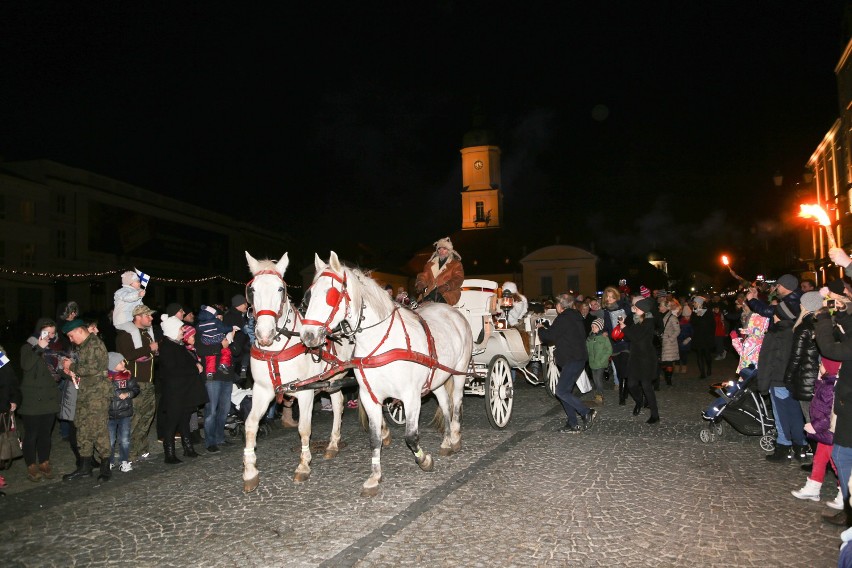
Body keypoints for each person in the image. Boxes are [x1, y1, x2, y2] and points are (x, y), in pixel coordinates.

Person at [61, 319, 112, 482]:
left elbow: (91, 369)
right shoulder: (84, 345)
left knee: (98, 428)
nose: (70, 339)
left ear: (79, 331)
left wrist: (72, 366)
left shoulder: (94, 344)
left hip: (97, 394)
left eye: (71, 335)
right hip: (86, 392)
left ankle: (105, 467)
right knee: (82, 427)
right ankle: (85, 466)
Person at [537, 293, 597, 434]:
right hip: (577, 358)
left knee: (561, 391)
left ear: (559, 306)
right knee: (565, 392)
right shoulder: (575, 316)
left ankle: (586, 412)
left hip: (572, 359)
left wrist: (540, 328)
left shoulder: (564, 318)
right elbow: (561, 333)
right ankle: (572, 423)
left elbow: (548, 336)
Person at [791, 358, 842, 509]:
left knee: (837, 463)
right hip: (824, 433)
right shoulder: (825, 384)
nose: (819, 366)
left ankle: (845, 493)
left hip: (830, 431)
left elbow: (829, 413)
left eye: (821, 365)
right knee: (819, 459)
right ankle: (814, 486)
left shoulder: (831, 387)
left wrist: (815, 426)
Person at [157, 316, 208, 463]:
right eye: (180, 329)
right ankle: (169, 453)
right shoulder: (167, 347)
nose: (182, 331)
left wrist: (195, 363)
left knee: (184, 420)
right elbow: (173, 369)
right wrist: (193, 368)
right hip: (175, 392)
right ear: (172, 330)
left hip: (184, 390)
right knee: (172, 422)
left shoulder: (178, 345)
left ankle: (188, 448)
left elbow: (187, 361)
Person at [19, 319, 62, 482]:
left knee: (45, 434)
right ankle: (31, 465)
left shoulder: (55, 349)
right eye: (46, 332)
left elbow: (58, 372)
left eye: (53, 333)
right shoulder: (28, 346)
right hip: (32, 398)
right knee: (31, 434)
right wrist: (39, 348)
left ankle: (44, 462)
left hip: (49, 397)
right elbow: (26, 365)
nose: (50, 336)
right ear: (39, 332)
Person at [115, 304, 158, 463]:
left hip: (148, 381)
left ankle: (142, 448)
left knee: (147, 416)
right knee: (134, 418)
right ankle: (128, 453)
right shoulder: (125, 334)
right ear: (138, 317)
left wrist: (154, 351)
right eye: (148, 315)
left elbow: (150, 354)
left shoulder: (146, 334)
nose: (151, 318)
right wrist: (149, 348)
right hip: (135, 382)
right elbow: (128, 355)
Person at [618, 297, 660, 424]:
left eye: (636, 307)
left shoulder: (649, 321)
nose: (634, 309)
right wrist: (624, 327)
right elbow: (629, 336)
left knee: (647, 386)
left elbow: (635, 337)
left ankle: (655, 415)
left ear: (643, 310)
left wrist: (624, 327)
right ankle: (639, 401)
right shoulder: (637, 319)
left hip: (646, 358)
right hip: (635, 357)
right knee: (631, 384)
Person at [105, 353, 139, 473]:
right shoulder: (105, 378)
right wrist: (116, 393)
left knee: (125, 439)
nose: (123, 364)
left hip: (125, 412)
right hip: (110, 414)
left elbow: (135, 389)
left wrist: (128, 394)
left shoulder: (127, 376)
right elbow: (106, 391)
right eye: (120, 362)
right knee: (110, 439)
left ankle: (124, 460)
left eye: (123, 361)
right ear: (112, 365)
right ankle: (109, 461)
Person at [601, 285, 631, 404]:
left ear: (616, 297)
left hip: (625, 341)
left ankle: (622, 396)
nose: (609, 299)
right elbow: (607, 326)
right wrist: (604, 331)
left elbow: (631, 320)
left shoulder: (624, 307)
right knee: (618, 370)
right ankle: (625, 388)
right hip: (614, 342)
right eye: (607, 297)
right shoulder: (606, 311)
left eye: (612, 297)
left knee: (624, 367)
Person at [415, 237, 465, 306]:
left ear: (449, 250)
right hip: (430, 292)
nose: (441, 251)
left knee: (433, 305)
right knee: (418, 308)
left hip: (448, 293)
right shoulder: (430, 264)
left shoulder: (455, 264)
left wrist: (447, 286)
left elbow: (458, 278)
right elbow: (424, 275)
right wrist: (420, 282)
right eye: (439, 249)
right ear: (437, 251)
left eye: (444, 249)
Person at [0, 343, 22, 482]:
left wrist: (14, 399)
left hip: (3, 407)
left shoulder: (0, 356)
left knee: (2, 440)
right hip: (2, 405)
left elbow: (11, 379)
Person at [197, 305, 236, 378]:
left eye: (221, 318)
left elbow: (236, 351)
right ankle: (210, 372)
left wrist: (231, 340)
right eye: (217, 318)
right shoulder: (202, 332)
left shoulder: (225, 329)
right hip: (214, 378)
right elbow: (200, 350)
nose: (219, 320)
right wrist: (221, 346)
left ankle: (223, 365)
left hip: (227, 375)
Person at [112, 271, 147, 346]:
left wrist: (146, 313)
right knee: (135, 331)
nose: (139, 283)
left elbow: (140, 306)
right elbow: (127, 297)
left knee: (147, 327)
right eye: (137, 281)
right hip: (122, 320)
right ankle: (139, 350)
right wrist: (138, 294)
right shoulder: (122, 291)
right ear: (130, 283)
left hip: (130, 319)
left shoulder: (135, 293)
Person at [223, 295, 250, 379]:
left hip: (242, 352)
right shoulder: (230, 316)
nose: (247, 305)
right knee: (237, 379)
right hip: (235, 353)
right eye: (245, 303)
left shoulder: (243, 315)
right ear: (239, 305)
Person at [586, 317, 612, 404]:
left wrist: (603, 359)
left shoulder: (604, 337)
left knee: (598, 379)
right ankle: (598, 393)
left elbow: (609, 350)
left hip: (600, 363)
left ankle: (600, 394)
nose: (593, 328)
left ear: (600, 327)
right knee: (595, 379)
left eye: (595, 327)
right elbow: (587, 349)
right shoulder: (589, 338)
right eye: (592, 326)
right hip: (593, 362)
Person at [658, 298, 681, 386]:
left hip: (669, 343)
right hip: (661, 342)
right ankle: (667, 377)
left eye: (660, 305)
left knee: (668, 362)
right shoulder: (660, 316)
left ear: (665, 307)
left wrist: (670, 339)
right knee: (663, 362)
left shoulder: (672, 317)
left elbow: (677, 330)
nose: (659, 307)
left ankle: (669, 380)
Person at [690, 297, 715, 379]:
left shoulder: (708, 312)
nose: (693, 304)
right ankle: (702, 373)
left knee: (707, 355)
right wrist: (697, 316)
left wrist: (711, 336)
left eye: (695, 302)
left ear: (699, 303)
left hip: (706, 337)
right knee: (699, 355)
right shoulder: (694, 313)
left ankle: (709, 368)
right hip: (698, 337)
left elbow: (712, 324)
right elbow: (693, 323)